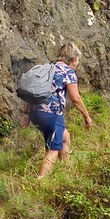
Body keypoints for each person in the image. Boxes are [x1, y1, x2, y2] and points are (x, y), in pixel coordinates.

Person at [26, 42, 94, 178]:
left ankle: (68, 173)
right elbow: (75, 98)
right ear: (73, 59)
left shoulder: (47, 68)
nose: (77, 65)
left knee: (64, 137)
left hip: (36, 113)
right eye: (77, 61)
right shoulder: (68, 72)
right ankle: (40, 181)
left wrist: (26, 115)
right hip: (52, 113)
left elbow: (30, 92)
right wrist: (87, 117)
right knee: (53, 149)